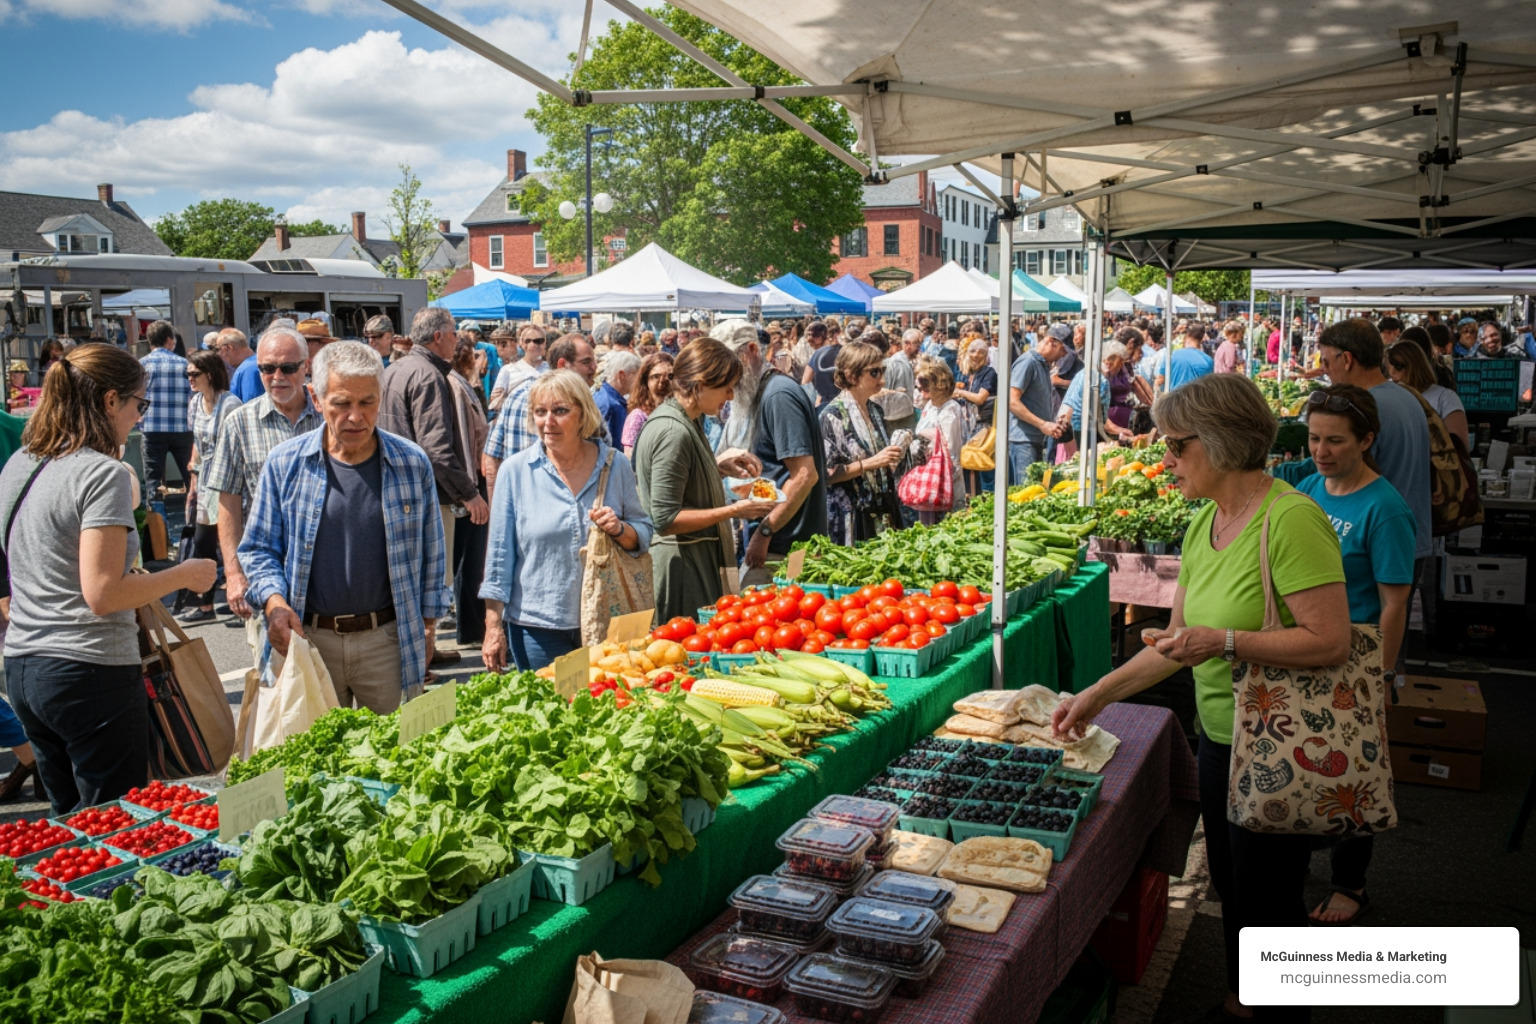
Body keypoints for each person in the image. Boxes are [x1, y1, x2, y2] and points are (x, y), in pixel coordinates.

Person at [1054, 373, 1349, 1024]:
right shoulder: (1204, 524)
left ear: (1216, 442)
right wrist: (1094, 696)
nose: (1164, 460)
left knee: (1270, 901)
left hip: (1281, 744)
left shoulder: (1291, 520)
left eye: (1174, 446)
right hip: (1221, 738)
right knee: (1236, 888)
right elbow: (1175, 643)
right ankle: (1245, 1000)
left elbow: (1329, 641)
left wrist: (1226, 642)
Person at [0, 344, 217, 814]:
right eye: (141, 404)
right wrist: (184, 574)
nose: (141, 417)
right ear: (109, 401)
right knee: (114, 824)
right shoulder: (102, 475)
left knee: (67, 830)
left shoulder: (20, 464)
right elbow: (103, 593)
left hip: (22, 664)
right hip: (88, 668)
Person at [239, 342, 446, 712]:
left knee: (393, 760)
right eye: (341, 404)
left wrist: (428, 627)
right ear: (316, 400)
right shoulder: (285, 464)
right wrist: (274, 603)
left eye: (367, 403)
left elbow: (432, 553)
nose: (356, 417)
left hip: (386, 641)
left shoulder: (412, 463)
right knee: (313, 762)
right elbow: (258, 548)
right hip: (308, 640)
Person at [1296, 383, 1415, 927]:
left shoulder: (1385, 508)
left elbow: (1395, 602)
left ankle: (1351, 885)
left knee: (1355, 775)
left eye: (1336, 441)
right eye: (1316, 438)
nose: (1322, 450)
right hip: (1310, 648)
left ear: (1366, 439)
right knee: (1309, 760)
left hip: (1359, 655)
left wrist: (1382, 675)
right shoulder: (1312, 489)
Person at [480, 371, 654, 670]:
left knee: (612, 710)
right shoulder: (515, 471)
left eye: (560, 411)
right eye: (540, 411)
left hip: (610, 620)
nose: (548, 421)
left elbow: (644, 532)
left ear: (582, 414)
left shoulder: (615, 465)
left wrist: (619, 529)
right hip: (539, 625)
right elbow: (498, 557)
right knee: (554, 711)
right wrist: (493, 627)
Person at [204, 327, 325, 659]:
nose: (276, 376)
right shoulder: (239, 422)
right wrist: (233, 572)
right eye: (266, 368)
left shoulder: (329, 416)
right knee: (278, 685)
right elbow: (227, 502)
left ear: (306, 366)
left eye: (287, 368)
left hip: (324, 569)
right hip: (266, 570)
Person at [633, 340, 774, 621]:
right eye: (726, 387)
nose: (731, 396)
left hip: (693, 561)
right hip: (682, 569)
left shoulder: (689, 419)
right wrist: (736, 510)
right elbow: (665, 518)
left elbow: (682, 484)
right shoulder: (673, 431)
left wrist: (716, 468)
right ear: (700, 385)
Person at [380, 307, 489, 667]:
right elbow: (437, 450)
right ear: (439, 336)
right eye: (454, 332)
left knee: (410, 584)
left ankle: (422, 655)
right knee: (429, 587)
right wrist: (469, 494)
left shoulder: (395, 369)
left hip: (395, 491)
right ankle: (418, 667)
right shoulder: (428, 375)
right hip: (425, 497)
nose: (458, 338)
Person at [1317, 320, 1431, 593]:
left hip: (1379, 546)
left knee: (1374, 631)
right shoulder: (1405, 396)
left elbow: (1344, 479)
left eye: (1326, 361)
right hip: (1409, 542)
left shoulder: (1365, 408)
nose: (1324, 370)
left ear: (1346, 359)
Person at [714, 320, 827, 587]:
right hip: (777, 543)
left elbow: (804, 475)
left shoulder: (778, 395)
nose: (725, 376)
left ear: (752, 350)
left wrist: (765, 531)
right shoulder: (764, 391)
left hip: (785, 548)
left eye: (730, 365)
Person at [483, 333, 602, 500]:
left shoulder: (517, 394)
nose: (594, 368)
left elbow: (491, 460)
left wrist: (498, 512)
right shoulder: (578, 404)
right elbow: (491, 460)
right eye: (586, 362)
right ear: (563, 365)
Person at [819, 341, 907, 544]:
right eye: (874, 372)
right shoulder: (832, 416)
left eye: (882, 370)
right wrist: (873, 462)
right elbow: (827, 475)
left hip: (882, 512)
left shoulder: (875, 409)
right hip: (851, 519)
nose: (882, 379)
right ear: (851, 375)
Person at [179, 350, 241, 623]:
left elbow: (239, 447)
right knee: (203, 543)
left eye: (194, 374)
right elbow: (198, 446)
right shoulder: (195, 403)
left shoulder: (230, 405)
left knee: (233, 542)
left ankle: (242, 600)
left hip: (230, 482)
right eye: (188, 374)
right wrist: (192, 485)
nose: (190, 379)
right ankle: (205, 606)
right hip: (205, 482)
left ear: (210, 374)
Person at [449, 339, 491, 647]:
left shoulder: (464, 383)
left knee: (470, 556)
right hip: (471, 482)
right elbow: (467, 437)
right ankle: (471, 627)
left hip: (471, 480)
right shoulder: (456, 385)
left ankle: (470, 626)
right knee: (470, 558)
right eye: (476, 354)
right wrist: (472, 489)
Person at [138, 320, 194, 502]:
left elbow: (136, 398)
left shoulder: (141, 365)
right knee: (192, 480)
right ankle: (198, 524)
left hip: (152, 430)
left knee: (154, 484)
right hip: (182, 429)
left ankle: (157, 527)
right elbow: (193, 397)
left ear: (149, 341)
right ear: (170, 340)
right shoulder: (185, 364)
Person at [1007, 324, 1065, 483]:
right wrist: (1042, 424)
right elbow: (1012, 402)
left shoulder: (1042, 364)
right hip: (1023, 440)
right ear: (1052, 342)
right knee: (1026, 493)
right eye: (1062, 351)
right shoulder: (1028, 362)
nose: (1062, 356)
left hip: (1034, 439)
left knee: (1034, 491)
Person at [913, 357, 968, 524]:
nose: (921, 392)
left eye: (925, 388)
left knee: (945, 524)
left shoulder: (949, 410)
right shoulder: (930, 405)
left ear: (938, 386)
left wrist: (945, 482)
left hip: (942, 478)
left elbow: (951, 450)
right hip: (927, 474)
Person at [1388, 340, 1469, 447]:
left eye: (1398, 366)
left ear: (1415, 367)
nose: (1392, 373)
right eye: (1389, 366)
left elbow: (1460, 447)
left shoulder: (1445, 398)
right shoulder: (1388, 397)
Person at [623, 352, 674, 457]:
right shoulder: (638, 417)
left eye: (669, 376)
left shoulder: (678, 413)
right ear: (646, 381)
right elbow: (630, 457)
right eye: (656, 376)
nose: (662, 382)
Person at [490, 325, 550, 411]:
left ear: (544, 343)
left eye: (538, 341)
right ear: (521, 343)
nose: (532, 345)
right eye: (528, 341)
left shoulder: (552, 370)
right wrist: (498, 398)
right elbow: (494, 403)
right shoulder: (507, 370)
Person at [595, 349, 640, 445]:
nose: (639, 381)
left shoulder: (600, 392)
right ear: (622, 375)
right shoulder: (611, 405)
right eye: (636, 374)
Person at [219, 328, 264, 402]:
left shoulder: (248, 370)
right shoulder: (256, 362)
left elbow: (250, 408)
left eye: (219, 349)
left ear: (228, 348)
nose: (219, 355)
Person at [1167, 323, 1216, 390]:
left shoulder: (1171, 356)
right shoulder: (1208, 360)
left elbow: (1160, 380)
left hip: (1175, 397)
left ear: (1187, 337)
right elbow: (1209, 384)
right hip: (1197, 398)